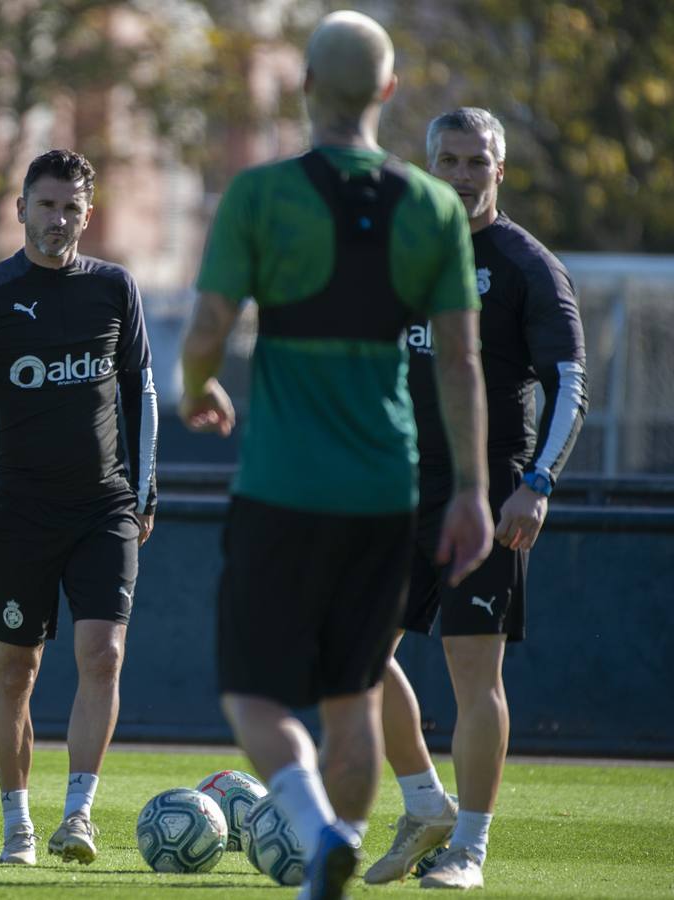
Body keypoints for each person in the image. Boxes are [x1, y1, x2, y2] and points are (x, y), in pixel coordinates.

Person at [177, 12, 494, 899]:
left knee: (253, 696)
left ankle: (318, 832)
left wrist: (199, 387)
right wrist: (471, 488)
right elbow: (463, 364)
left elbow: (207, 329)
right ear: (390, 93)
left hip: (282, 487)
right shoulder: (434, 208)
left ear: (307, 85)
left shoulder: (259, 195)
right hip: (387, 492)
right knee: (353, 697)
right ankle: (336, 857)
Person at [364, 107, 588, 891]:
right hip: (396, 490)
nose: (463, 174)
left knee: (472, 677)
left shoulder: (527, 264)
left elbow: (570, 384)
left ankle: (469, 848)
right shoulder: (404, 253)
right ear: (429, 164)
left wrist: (537, 484)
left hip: (487, 496)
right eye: (449, 160)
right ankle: (425, 803)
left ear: (500, 169)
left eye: (477, 162)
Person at [0, 149, 159, 867]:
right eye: (47, 205)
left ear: (87, 215)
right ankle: (16, 825)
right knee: (15, 673)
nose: (58, 219)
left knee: (104, 652)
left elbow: (141, 395)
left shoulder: (115, 289)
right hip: (22, 511)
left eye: (71, 208)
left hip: (104, 507)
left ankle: (79, 814)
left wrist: (146, 493)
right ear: (22, 208)